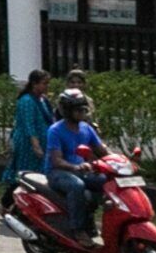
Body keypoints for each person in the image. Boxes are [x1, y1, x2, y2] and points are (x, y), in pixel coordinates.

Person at [42, 88, 115, 243]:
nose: (82, 112)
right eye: (78, 109)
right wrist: (75, 167)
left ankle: (103, 223)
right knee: (77, 186)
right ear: (68, 111)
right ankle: (78, 229)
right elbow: (56, 160)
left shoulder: (86, 128)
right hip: (57, 172)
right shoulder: (55, 130)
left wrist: (119, 160)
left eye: (83, 108)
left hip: (81, 170)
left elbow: (102, 150)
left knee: (106, 180)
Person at [0, 69, 54, 202]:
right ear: (34, 84)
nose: (47, 87)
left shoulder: (42, 100)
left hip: (42, 143)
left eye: (48, 83)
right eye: (44, 83)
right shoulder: (27, 101)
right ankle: (8, 203)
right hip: (27, 144)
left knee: (38, 176)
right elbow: (29, 125)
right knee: (24, 174)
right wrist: (36, 145)